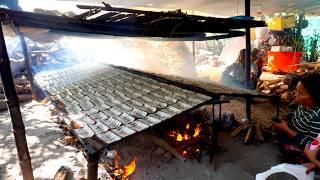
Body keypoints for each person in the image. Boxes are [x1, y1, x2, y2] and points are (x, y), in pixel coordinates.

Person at [272, 72, 320, 163]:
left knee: (285, 146)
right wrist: (287, 120)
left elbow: (311, 146)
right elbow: (297, 116)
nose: (296, 95)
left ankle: (304, 161)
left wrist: (287, 129)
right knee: (279, 130)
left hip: (307, 147)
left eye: (300, 93)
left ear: (315, 96)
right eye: (296, 91)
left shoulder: (317, 117)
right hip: (295, 134)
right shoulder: (304, 104)